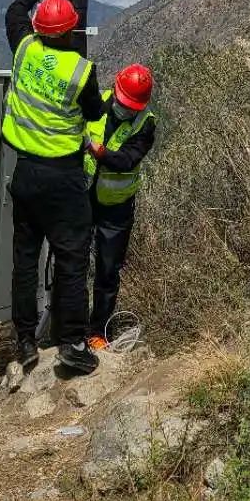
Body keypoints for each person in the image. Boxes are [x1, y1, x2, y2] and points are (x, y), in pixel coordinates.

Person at [3, 0, 108, 375]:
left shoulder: (24, 49)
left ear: (39, 29)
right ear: (69, 32)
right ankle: (73, 344)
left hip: (26, 174)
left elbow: (14, 11)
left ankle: (25, 342)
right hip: (63, 179)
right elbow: (94, 113)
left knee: (25, 261)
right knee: (71, 260)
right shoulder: (80, 71)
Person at [83, 63, 157, 351]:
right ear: (115, 90)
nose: (124, 109)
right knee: (73, 261)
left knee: (107, 270)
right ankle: (69, 325)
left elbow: (127, 160)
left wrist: (99, 152)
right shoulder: (99, 102)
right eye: (123, 102)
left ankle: (98, 331)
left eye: (131, 107)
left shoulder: (145, 124)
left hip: (117, 207)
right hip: (84, 195)